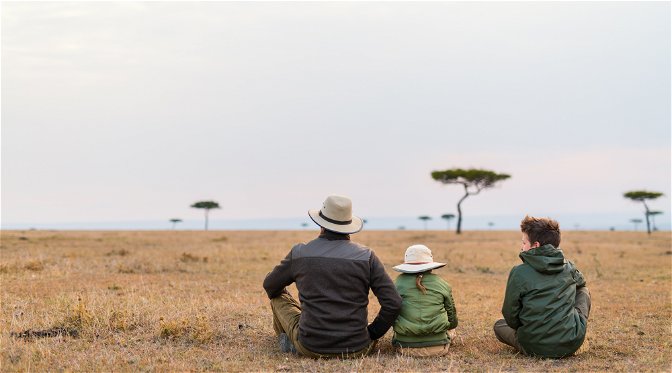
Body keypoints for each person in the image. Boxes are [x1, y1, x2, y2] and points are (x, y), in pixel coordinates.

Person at [263, 195, 402, 358]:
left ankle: (288, 341)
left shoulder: (300, 253)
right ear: (349, 226)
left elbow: (270, 286)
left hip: (310, 345)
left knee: (278, 297)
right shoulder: (367, 257)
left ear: (321, 224)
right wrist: (371, 333)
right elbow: (394, 303)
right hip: (358, 348)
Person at [494, 216, 591, 358]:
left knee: (499, 326)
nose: (522, 247)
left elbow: (510, 314)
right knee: (583, 290)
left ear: (536, 245)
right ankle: (570, 330)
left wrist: (526, 327)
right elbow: (581, 285)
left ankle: (533, 339)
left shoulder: (519, 272)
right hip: (571, 342)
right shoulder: (569, 267)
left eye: (524, 242)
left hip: (532, 344)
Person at [391, 244, 458, 357]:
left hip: (405, 347)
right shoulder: (441, 283)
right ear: (430, 265)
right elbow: (452, 317)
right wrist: (450, 327)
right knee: (452, 331)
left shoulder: (397, 283)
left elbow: (390, 311)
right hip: (438, 347)